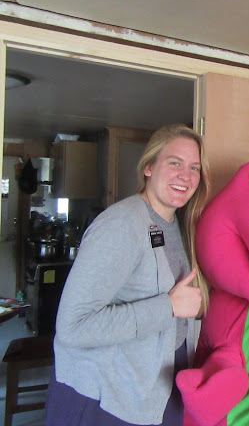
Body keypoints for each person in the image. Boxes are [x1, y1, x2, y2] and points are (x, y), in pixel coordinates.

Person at [45, 124, 213, 426]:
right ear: (148, 167)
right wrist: (168, 306)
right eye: (174, 163)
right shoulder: (120, 225)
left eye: (194, 168)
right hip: (106, 395)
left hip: (153, 387)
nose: (185, 176)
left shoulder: (179, 225)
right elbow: (73, 327)